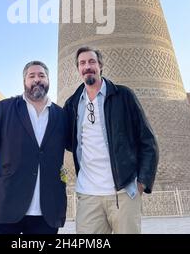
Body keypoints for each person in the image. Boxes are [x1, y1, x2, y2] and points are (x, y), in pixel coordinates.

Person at [63, 47, 159, 234]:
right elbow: (68, 142)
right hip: (89, 195)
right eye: (82, 63)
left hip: (123, 193)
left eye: (92, 62)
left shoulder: (123, 96)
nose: (87, 67)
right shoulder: (72, 104)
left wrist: (142, 182)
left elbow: (148, 141)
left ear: (100, 65)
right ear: (78, 69)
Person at [0, 61, 67, 234]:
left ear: (48, 79)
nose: (37, 80)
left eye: (41, 75)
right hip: (5, 206)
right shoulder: (5, 109)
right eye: (32, 76)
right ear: (24, 81)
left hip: (46, 211)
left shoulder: (60, 115)